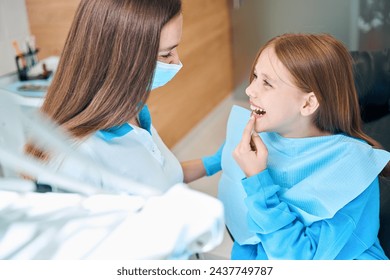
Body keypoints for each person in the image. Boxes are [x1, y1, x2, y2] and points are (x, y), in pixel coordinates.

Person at [202, 33, 390, 259]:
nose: (250, 90)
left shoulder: (350, 170)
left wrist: (257, 181)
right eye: (254, 76)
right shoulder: (268, 130)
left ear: (308, 103)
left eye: (267, 83)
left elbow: (298, 259)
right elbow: (226, 154)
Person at [29, 0, 207, 193]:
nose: (176, 61)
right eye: (166, 55)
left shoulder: (130, 110)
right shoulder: (76, 160)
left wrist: (213, 162)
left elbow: (158, 178)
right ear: (121, 59)